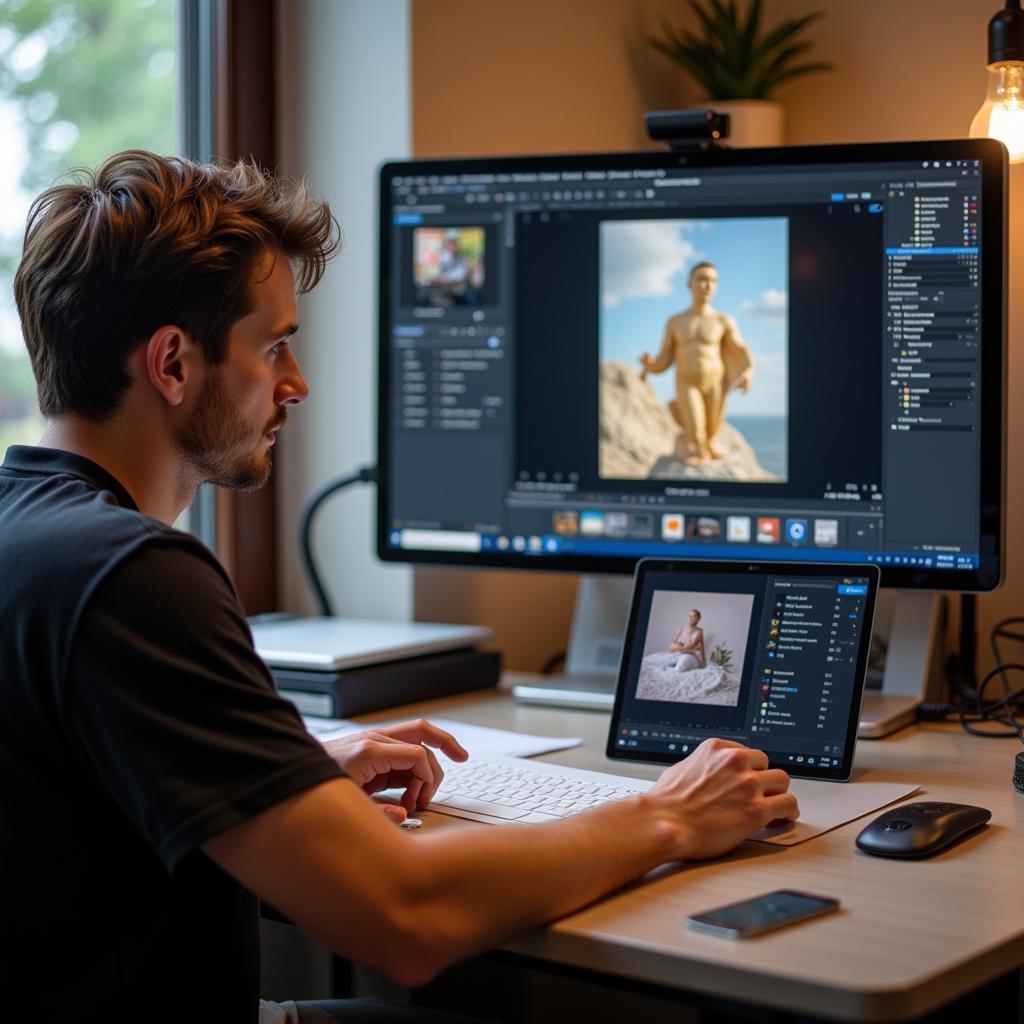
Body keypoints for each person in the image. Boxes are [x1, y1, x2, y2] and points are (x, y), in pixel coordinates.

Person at [0, 151, 798, 1023]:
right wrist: (665, 817)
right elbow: (406, 919)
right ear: (172, 365)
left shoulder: (34, 541)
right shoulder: (135, 576)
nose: (296, 383)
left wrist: (279, 777)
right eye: (273, 348)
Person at [639, 261, 754, 465]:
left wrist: (749, 371)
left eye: (713, 281)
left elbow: (740, 348)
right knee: (696, 427)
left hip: (716, 383)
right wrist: (651, 365)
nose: (707, 285)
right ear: (689, 284)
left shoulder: (723, 320)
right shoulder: (675, 321)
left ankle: (708, 446)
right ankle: (699, 452)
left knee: (712, 427)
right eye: (701, 279)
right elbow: (665, 357)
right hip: (687, 382)